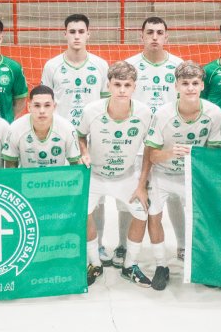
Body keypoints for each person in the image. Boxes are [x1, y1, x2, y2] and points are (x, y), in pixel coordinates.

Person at [142, 61, 221, 291]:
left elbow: (216, 151)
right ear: (176, 86)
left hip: (193, 174)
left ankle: (200, 263)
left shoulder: (213, 113)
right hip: (164, 173)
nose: (190, 88)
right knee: (154, 215)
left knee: (200, 219)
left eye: (195, 83)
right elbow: (152, 156)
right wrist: (170, 153)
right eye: (185, 83)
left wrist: (197, 155)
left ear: (201, 86)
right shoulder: (163, 114)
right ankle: (161, 265)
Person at [77, 61, 152, 286]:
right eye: (117, 84)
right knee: (83, 213)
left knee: (141, 213)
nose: (121, 90)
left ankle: (130, 265)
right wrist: (84, 152)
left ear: (134, 87)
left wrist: (141, 183)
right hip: (96, 175)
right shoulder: (92, 111)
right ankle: (94, 264)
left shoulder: (144, 113)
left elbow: (151, 148)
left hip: (126, 175)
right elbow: (80, 136)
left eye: (127, 85)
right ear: (108, 85)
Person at [119, 16, 184, 268]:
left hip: (169, 143)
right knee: (131, 193)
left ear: (167, 37)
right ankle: (123, 247)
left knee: (176, 196)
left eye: (159, 32)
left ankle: (182, 246)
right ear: (141, 36)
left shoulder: (179, 66)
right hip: (136, 143)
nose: (155, 37)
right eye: (150, 32)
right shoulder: (129, 66)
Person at [41, 14, 109, 127]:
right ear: (65, 34)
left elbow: (107, 102)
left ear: (88, 34)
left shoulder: (101, 65)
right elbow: (45, 101)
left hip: (92, 130)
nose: (77, 36)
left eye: (81, 32)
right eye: (72, 32)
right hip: (61, 131)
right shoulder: (51, 66)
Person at [2, 84, 82, 168]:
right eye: (37, 106)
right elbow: (10, 164)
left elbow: (76, 165)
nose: (42, 111)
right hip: (27, 179)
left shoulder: (67, 128)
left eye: (47, 105)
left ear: (54, 107)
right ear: (29, 107)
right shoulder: (15, 128)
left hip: (58, 180)